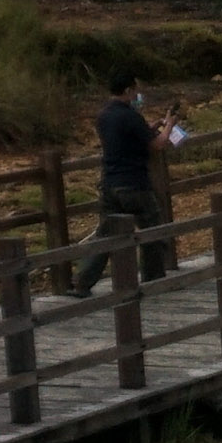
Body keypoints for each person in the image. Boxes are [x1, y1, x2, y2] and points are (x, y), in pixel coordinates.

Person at [74, 72, 184, 294]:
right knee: (152, 230)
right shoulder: (131, 116)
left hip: (109, 183)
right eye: (135, 90)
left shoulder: (104, 115)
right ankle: (153, 279)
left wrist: (149, 127)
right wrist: (170, 125)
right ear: (127, 91)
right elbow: (158, 145)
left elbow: (127, 138)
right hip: (134, 183)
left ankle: (82, 282)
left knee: (105, 235)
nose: (138, 94)